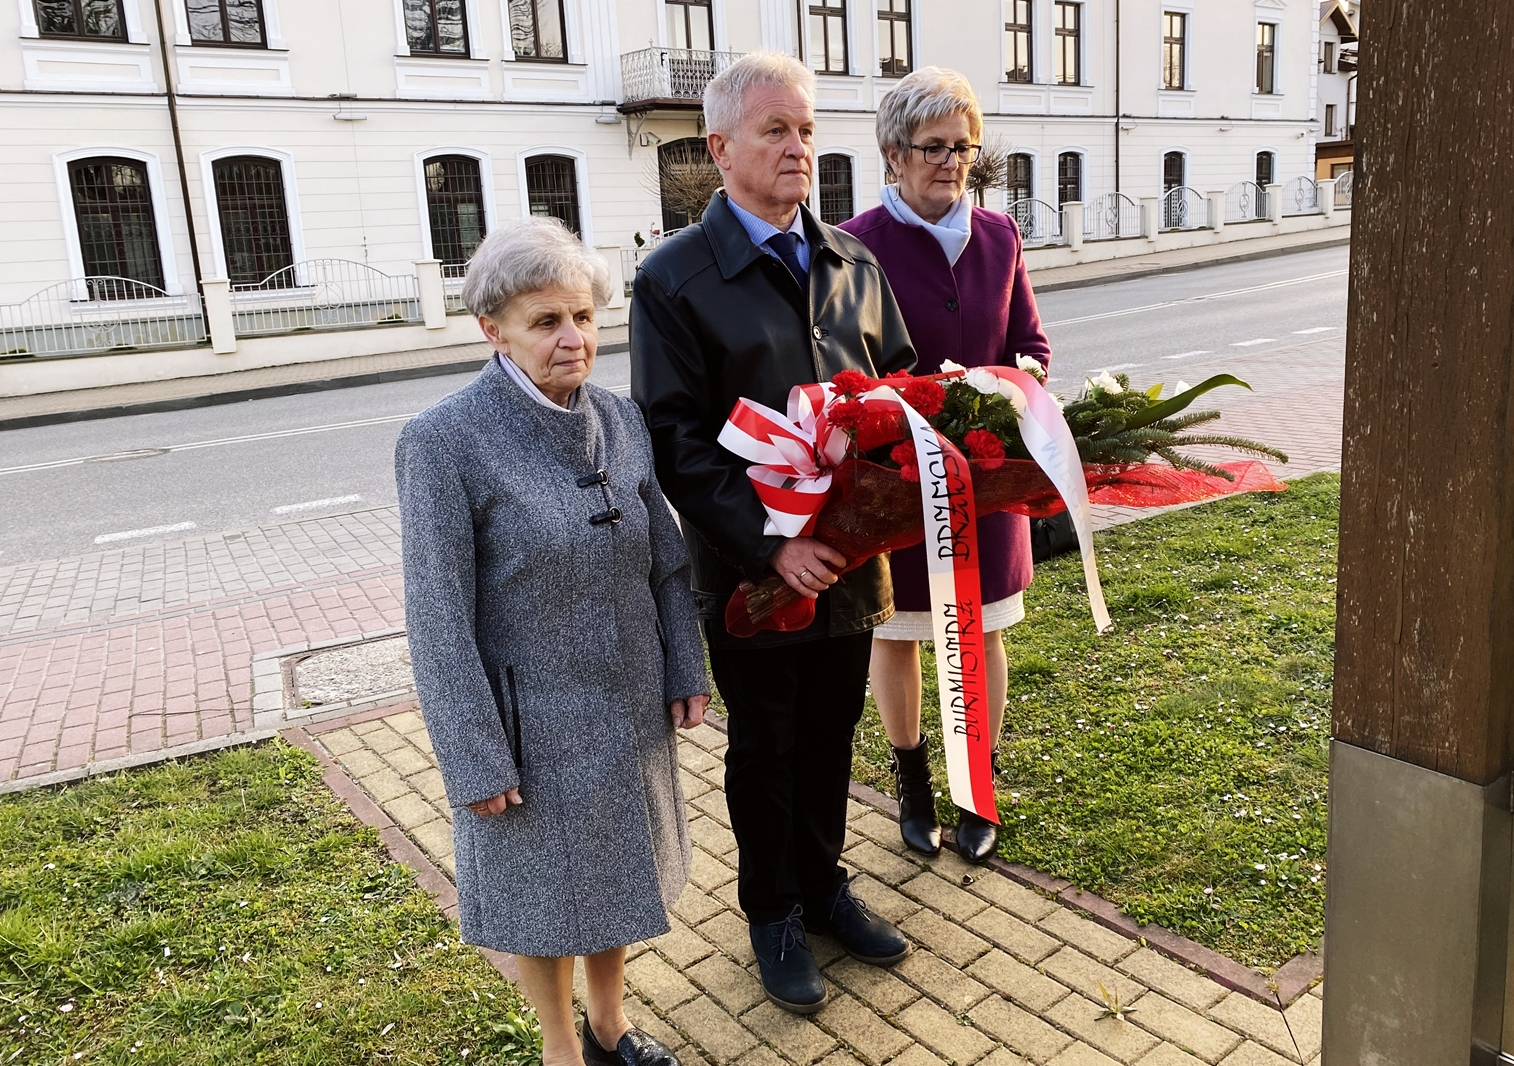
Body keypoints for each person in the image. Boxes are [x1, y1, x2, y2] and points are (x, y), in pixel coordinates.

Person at [630, 52, 917, 1015]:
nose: (798, 148)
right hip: (755, 578)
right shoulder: (674, 279)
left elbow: (907, 394)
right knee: (767, 745)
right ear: (719, 148)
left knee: (833, 734)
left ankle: (826, 887)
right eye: (775, 131)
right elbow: (672, 437)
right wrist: (769, 546)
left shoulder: (854, 263)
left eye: (805, 130)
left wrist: (905, 496)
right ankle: (773, 911)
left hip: (851, 564)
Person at [396, 217, 710, 1066]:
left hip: (629, 697)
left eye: (584, 317)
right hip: (527, 719)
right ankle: (561, 1046)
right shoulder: (443, 442)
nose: (574, 340)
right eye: (546, 322)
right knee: (546, 895)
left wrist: (684, 662)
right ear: (491, 329)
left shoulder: (619, 417)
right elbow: (435, 615)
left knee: (618, 874)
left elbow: (666, 558)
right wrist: (473, 757)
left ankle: (612, 1028)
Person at [840, 67, 1053, 864]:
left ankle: (978, 784)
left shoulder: (999, 235)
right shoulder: (856, 243)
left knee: (984, 625)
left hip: (987, 473)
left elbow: (1029, 340)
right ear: (894, 154)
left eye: (962, 146)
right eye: (933, 147)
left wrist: (1016, 380)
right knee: (898, 631)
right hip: (899, 476)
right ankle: (914, 780)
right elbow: (844, 359)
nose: (952, 162)